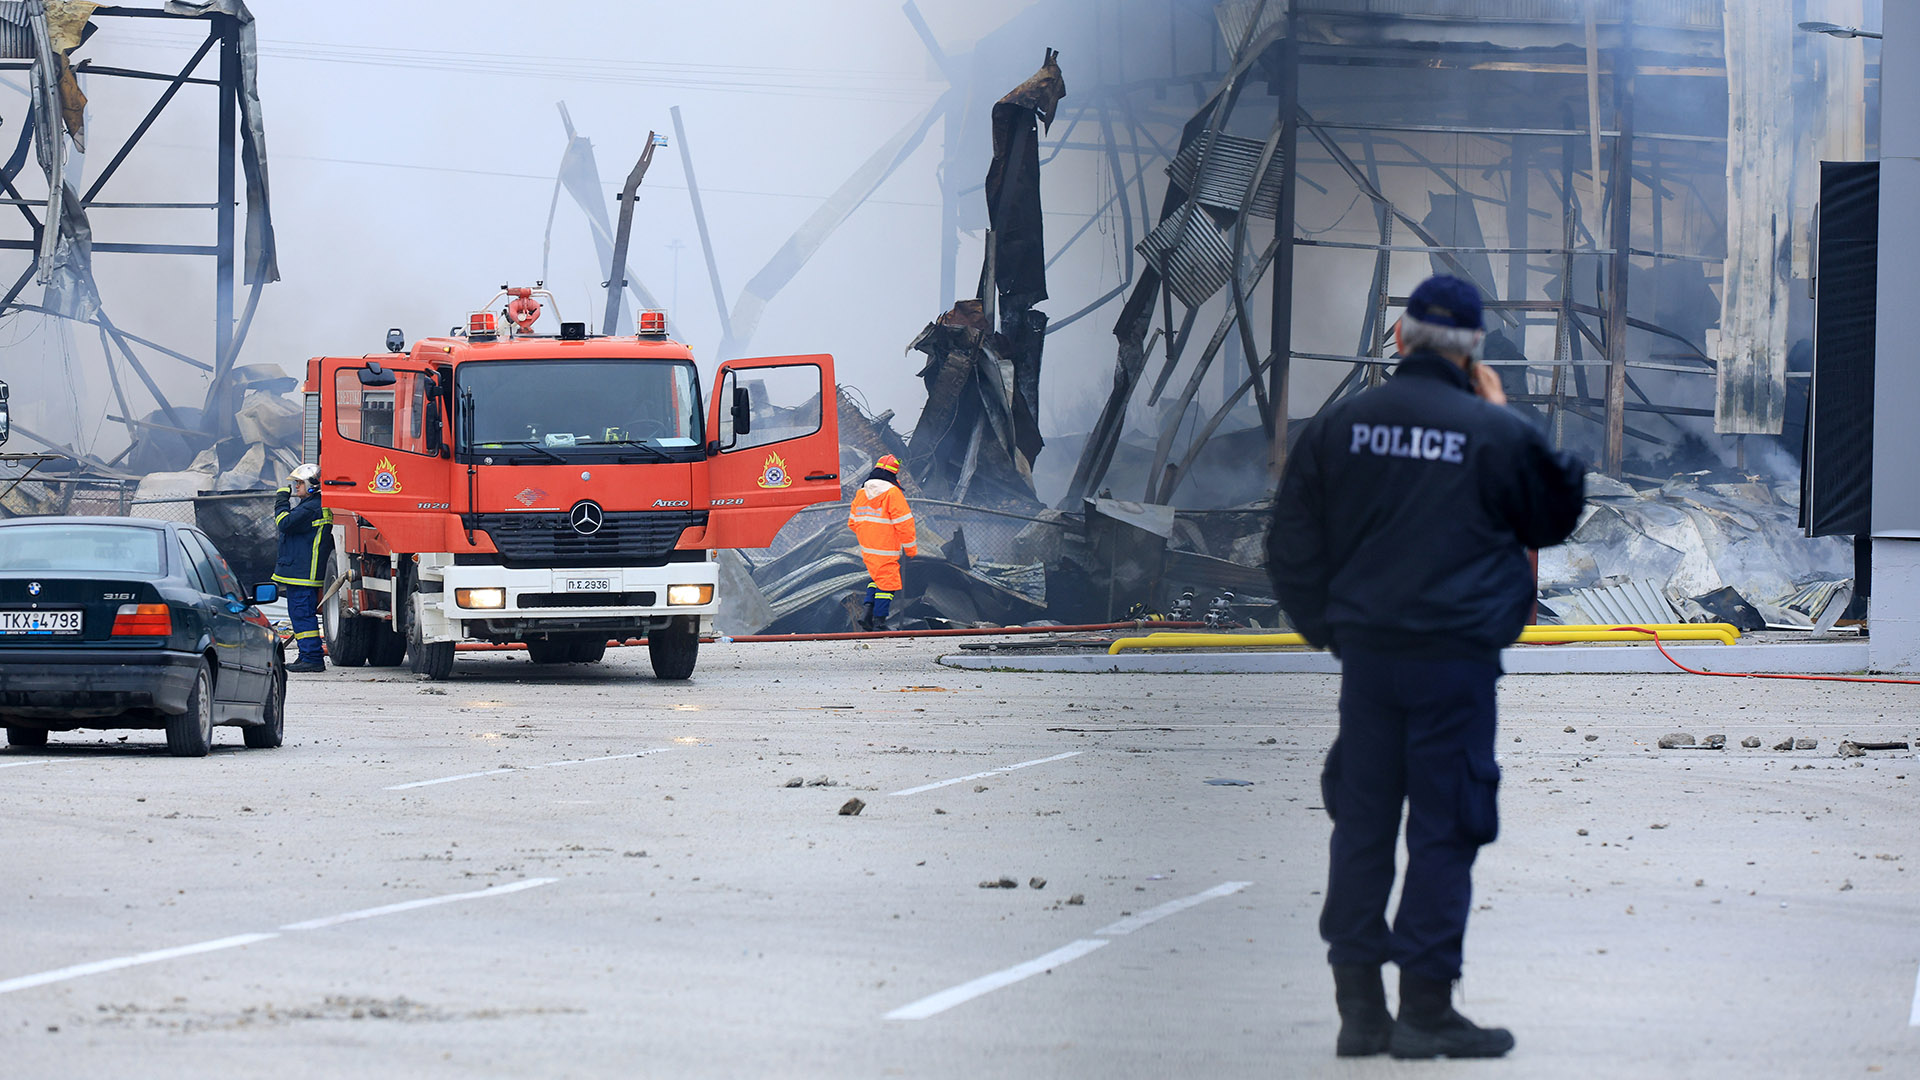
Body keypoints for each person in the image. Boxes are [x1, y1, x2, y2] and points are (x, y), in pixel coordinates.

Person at [1267, 275, 1586, 1060]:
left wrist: (1331, 629)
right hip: (1456, 663)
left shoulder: (1341, 425)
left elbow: (1289, 544)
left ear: (1401, 339)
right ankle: (1427, 1009)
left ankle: (1360, 1013)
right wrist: (1502, 416)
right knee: (1447, 825)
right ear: (1475, 352)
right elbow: (1552, 516)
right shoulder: (1492, 432)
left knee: (1364, 823)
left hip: (1370, 660)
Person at [274, 463, 334, 673]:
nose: (296, 487)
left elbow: (285, 523)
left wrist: (281, 500)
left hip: (303, 572)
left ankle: (312, 658)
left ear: (312, 485)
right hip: (302, 570)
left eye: (299, 483)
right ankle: (305, 654)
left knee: (302, 614)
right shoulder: (313, 505)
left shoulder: (311, 507)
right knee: (300, 614)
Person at [846, 453, 917, 631]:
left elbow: (852, 523)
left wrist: (868, 535)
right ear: (894, 474)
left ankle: (866, 615)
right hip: (886, 546)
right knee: (889, 582)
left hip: (868, 547)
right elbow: (905, 524)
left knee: (876, 578)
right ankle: (880, 621)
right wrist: (911, 550)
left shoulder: (861, 492)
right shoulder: (893, 493)